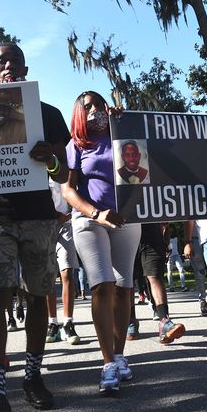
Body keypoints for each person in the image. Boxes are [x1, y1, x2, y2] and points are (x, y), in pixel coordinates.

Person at [0, 43, 70, 412]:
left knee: (38, 295)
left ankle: (33, 375)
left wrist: (50, 159)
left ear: (25, 67)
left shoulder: (48, 114)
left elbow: (64, 174)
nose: (7, 65)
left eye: (13, 60)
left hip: (38, 217)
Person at [62, 90, 141, 394]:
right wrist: (96, 213)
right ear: (79, 114)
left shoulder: (123, 136)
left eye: (99, 103)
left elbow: (145, 165)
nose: (95, 109)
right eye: (87, 106)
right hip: (89, 220)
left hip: (126, 220)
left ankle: (120, 355)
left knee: (124, 287)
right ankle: (107, 362)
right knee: (102, 284)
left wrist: (128, 122)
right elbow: (68, 191)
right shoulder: (76, 146)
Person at [128, 223, 186, 344]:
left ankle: (165, 322)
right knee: (127, 280)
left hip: (152, 232)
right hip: (124, 232)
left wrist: (165, 235)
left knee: (155, 276)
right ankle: (130, 320)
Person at [45, 179, 81, 345]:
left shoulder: (66, 165)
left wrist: (70, 214)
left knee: (67, 273)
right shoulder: (39, 168)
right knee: (49, 276)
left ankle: (68, 322)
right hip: (45, 226)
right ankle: (52, 322)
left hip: (67, 225)